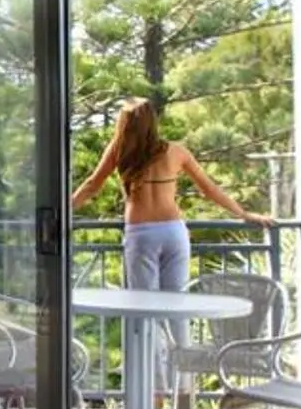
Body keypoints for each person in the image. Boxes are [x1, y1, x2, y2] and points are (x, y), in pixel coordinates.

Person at [69, 98, 269, 292]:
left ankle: (147, 329)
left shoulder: (119, 151)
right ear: (152, 121)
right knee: (176, 303)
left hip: (141, 234)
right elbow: (209, 189)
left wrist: (65, 209)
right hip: (173, 231)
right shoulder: (176, 151)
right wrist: (243, 213)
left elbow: (92, 185)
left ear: (124, 123)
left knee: (142, 305)